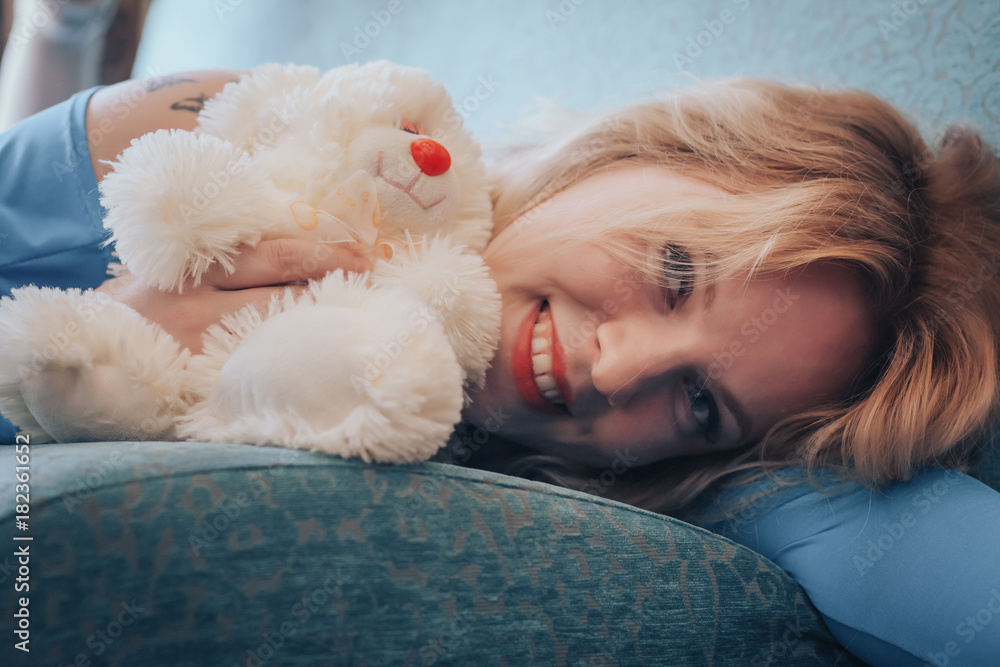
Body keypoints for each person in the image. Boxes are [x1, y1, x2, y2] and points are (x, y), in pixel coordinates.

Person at [1, 69, 999, 666]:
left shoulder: (686, 485)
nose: (618, 367)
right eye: (673, 269)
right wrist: (105, 331)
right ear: (633, 150)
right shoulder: (257, 133)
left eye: (701, 399)